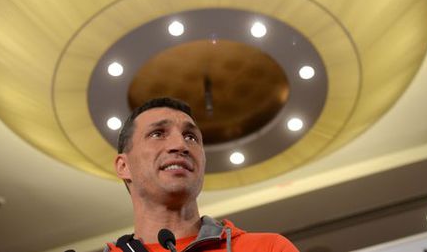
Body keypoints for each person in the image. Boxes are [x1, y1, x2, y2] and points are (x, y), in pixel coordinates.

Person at [105, 97, 300, 252]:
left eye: (190, 137)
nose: (180, 145)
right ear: (124, 166)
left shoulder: (270, 248)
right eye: (157, 133)